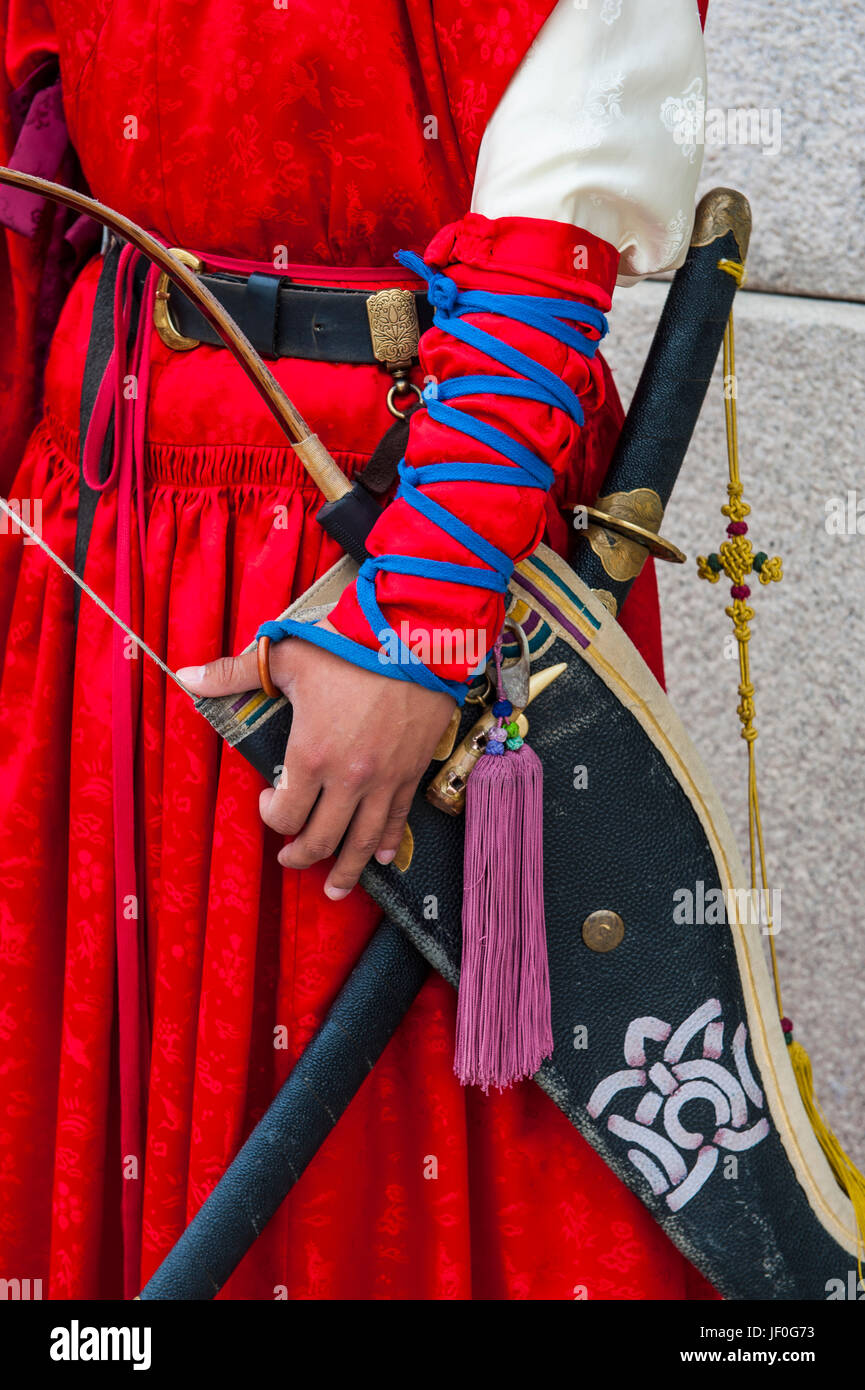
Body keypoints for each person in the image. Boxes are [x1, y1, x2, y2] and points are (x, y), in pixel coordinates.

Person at [0, 0, 718, 1299]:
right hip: (105, 527)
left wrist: (416, 618)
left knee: (376, 1145)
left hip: (382, 545)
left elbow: (552, 230)